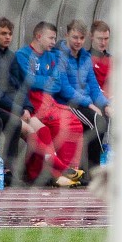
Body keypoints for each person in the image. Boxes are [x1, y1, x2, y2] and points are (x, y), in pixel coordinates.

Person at [0, 16, 78, 186]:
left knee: (41, 128)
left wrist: (27, 107)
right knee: (25, 128)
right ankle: (54, 168)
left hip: (16, 106)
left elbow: (22, 85)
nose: (7, 37)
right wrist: (18, 109)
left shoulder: (11, 56)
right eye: (3, 33)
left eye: (10, 34)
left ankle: (44, 173)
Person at [15, 21, 85, 186]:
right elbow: (28, 80)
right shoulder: (23, 55)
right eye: (51, 38)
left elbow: (58, 83)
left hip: (48, 100)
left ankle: (69, 169)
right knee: (52, 126)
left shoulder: (52, 56)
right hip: (31, 102)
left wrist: (41, 81)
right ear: (39, 36)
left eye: (55, 38)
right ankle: (51, 172)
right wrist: (46, 81)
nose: (54, 42)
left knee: (74, 123)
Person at [57, 19, 111, 169]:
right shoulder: (60, 56)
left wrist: (106, 105)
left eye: (81, 38)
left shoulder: (85, 58)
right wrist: (89, 104)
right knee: (97, 121)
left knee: (107, 117)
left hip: (86, 104)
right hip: (68, 104)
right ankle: (96, 170)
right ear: (67, 35)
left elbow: (94, 88)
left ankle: (95, 170)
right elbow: (65, 89)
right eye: (75, 37)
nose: (78, 41)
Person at [88, 20, 112, 94]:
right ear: (91, 37)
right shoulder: (84, 58)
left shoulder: (112, 60)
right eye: (100, 39)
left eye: (106, 39)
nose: (103, 43)